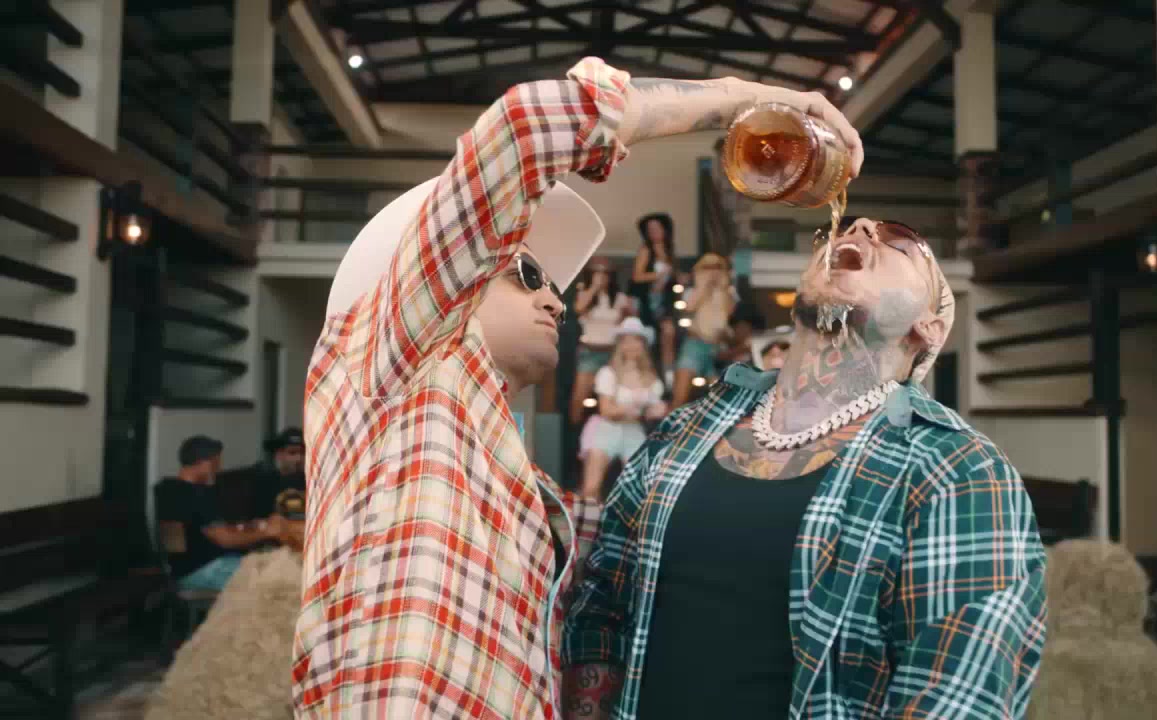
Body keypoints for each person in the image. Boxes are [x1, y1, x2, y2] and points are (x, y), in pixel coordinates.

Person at [293, 57, 863, 719]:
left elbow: (647, 540)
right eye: (528, 274)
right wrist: (748, 99)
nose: (556, 302)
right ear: (437, 280)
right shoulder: (386, 356)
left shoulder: (507, 480)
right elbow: (525, 128)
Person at [565, 217, 1046, 719]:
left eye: (900, 240)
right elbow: (602, 602)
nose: (861, 227)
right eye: (842, 229)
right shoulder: (685, 428)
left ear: (928, 327)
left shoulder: (957, 469)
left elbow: (956, 698)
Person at [155, 435, 287, 592]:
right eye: (216, 463)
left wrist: (247, 527)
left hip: (187, 569)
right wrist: (267, 532)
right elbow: (223, 539)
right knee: (283, 578)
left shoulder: (169, 489)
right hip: (204, 570)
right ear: (203, 462)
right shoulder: (194, 494)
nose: (218, 469)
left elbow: (204, 530)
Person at [579, 318, 667, 501]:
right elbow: (606, 410)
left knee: (638, 489)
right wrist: (636, 408)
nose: (631, 345)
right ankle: (589, 520)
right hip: (606, 429)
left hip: (633, 430)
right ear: (620, 345)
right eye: (626, 340)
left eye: (636, 340)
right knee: (591, 488)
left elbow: (654, 411)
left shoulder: (652, 378)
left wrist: (655, 410)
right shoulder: (608, 373)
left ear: (643, 345)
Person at [572, 257, 633, 424]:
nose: (601, 277)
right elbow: (579, 308)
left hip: (612, 352)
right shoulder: (584, 294)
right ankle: (575, 432)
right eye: (597, 273)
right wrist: (594, 287)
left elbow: (627, 324)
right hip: (589, 351)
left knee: (611, 395)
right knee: (579, 397)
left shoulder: (620, 298)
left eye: (605, 273)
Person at [672, 252, 737, 407]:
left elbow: (729, 311)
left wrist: (721, 288)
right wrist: (704, 286)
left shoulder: (728, 292)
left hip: (717, 348)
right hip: (695, 344)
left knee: (721, 400)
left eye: (717, 267)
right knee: (680, 396)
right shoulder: (692, 291)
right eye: (708, 267)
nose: (713, 271)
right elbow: (690, 308)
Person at [630, 212, 679, 382]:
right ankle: (648, 377)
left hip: (665, 300)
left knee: (668, 333)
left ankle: (669, 375)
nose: (654, 232)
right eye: (650, 229)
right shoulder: (646, 250)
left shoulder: (669, 250)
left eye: (657, 228)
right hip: (646, 300)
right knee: (648, 339)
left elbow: (671, 278)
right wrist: (658, 274)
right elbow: (637, 276)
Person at [253, 427, 306, 519]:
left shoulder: (314, 483)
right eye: (292, 453)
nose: (299, 458)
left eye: (303, 453)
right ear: (279, 455)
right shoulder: (265, 483)